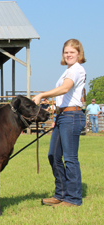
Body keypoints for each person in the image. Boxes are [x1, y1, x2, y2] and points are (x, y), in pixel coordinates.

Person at [32, 39, 86, 207]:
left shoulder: (77, 70)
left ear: (79, 54)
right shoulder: (67, 70)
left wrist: (42, 95)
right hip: (62, 116)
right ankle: (61, 194)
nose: (68, 55)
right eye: (66, 52)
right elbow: (63, 94)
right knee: (53, 155)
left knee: (70, 158)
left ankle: (73, 198)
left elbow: (65, 89)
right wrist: (54, 105)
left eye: (72, 52)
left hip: (72, 117)